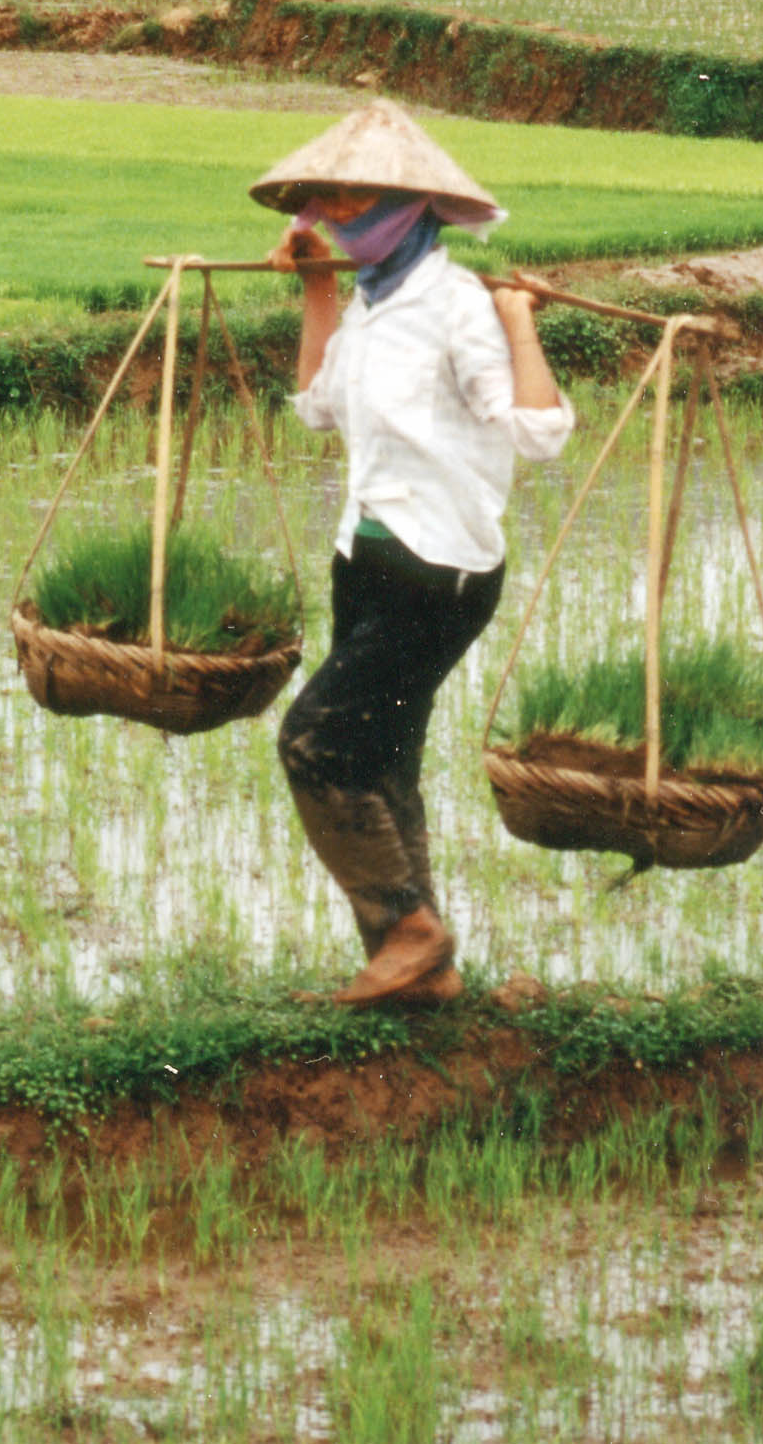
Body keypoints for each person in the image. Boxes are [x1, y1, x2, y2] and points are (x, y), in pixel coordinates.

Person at [254, 100, 574, 1009]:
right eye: (325, 203)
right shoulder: (365, 305)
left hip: (441, 572)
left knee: (313, 743)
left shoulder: (455, 306)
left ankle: (408, 930)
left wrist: (516, 322)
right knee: (380, 757)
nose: (332, 217)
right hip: (366, 557)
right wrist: (317, 285)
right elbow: (317, 406)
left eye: (353, 202)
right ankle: (413, 967)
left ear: (406, 208)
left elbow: (540, 431)